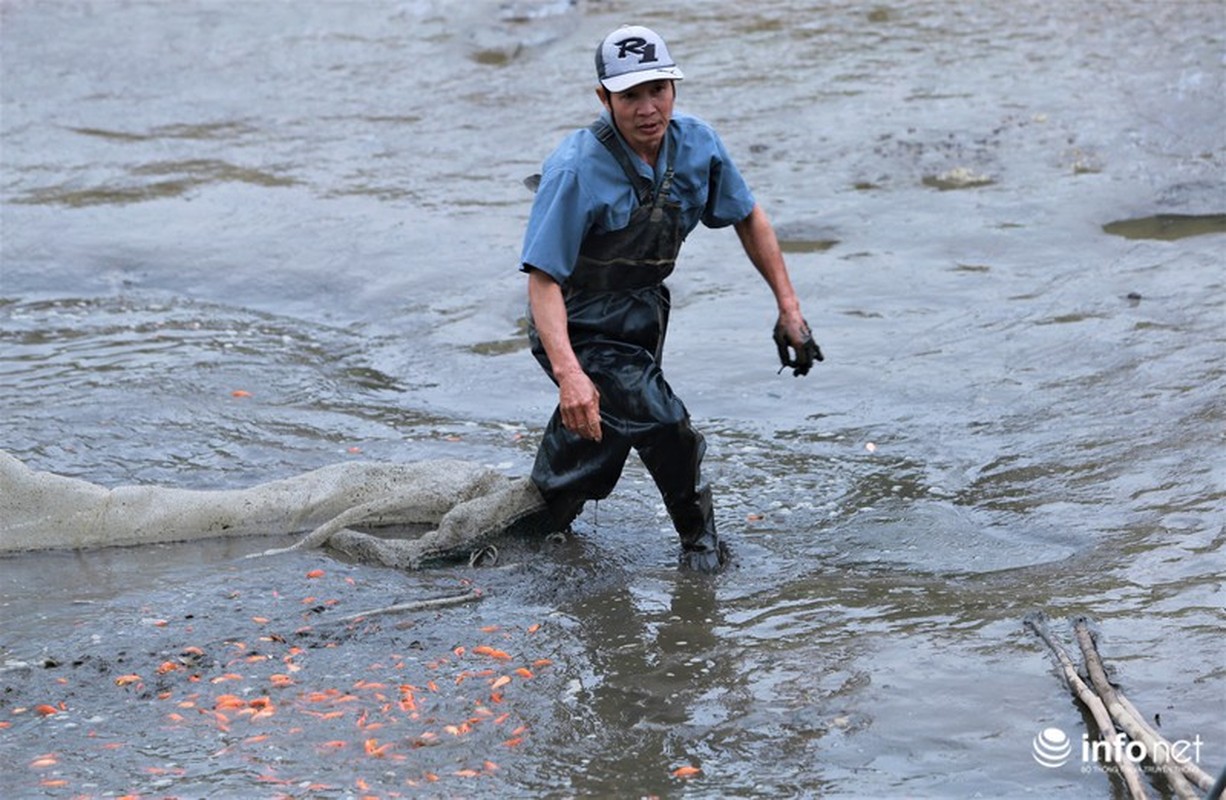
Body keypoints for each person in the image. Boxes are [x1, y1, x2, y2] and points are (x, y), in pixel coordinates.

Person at [520, 24, 822, 573]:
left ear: (674, 89)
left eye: (658, 89)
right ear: (603, 99)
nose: (647, 108)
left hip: (644, 314)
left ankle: (535, 527)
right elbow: (542, 281)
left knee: (598, 439)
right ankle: (702, 550)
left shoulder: (697, 145)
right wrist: (570, 374)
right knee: (663, 423)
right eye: (630, 95)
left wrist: (789, 307)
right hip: (578, 320)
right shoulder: (574, 169)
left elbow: (748, 216)